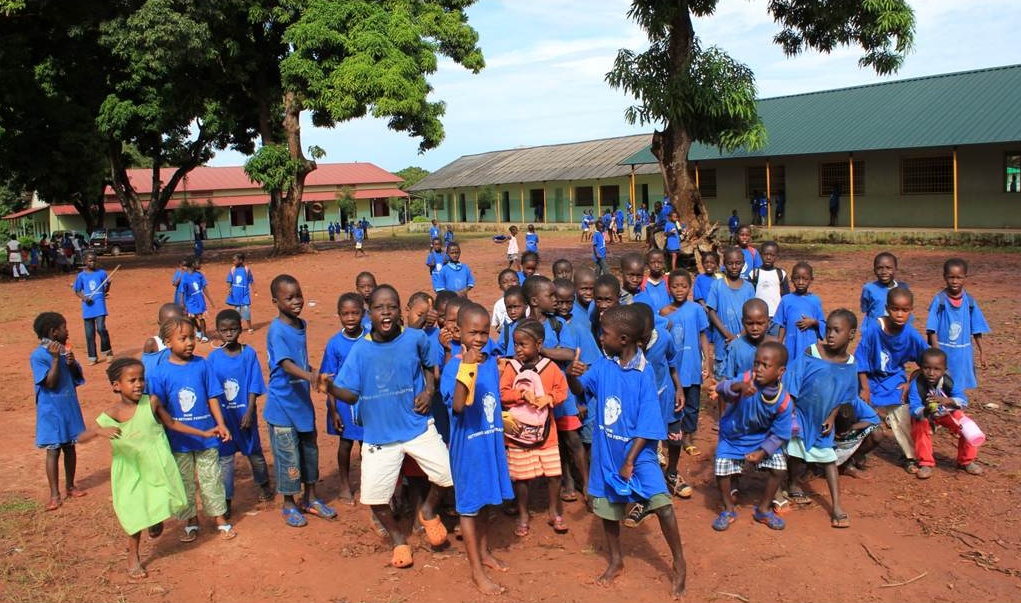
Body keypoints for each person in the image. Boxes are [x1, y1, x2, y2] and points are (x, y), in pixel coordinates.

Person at [327, 285, 453, 569]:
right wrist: (331, 388)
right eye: (379, 307)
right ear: (369, 313)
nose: (385, 312)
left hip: (417, 425)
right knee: (373, 497)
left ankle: (428, 511)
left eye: (391, 307)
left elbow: (430, 365)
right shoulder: (360, 350)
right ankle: (399, 540)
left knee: (448, 473)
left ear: (400, 311)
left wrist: (429, 390)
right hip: (380, 436)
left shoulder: (416, 338)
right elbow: (351, 393)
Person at [565, 305, 686, 596]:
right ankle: (616, 560)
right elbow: (582, 390)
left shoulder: (644, 374)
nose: (600, 337)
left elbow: (648, 425)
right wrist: (572, 375)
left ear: (622, 339)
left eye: (604, 333)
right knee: (608, 509)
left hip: (638, 453)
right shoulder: (604, 366)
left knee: (662, 504)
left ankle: (679, 562)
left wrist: (630, 461)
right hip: (608, 452)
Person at [88, 357, 215, 578]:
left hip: (157, 465)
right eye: (132, 380)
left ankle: (155, 520)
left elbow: (172, 423)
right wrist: (99, 431)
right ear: (116, 386)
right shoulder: (112, 414)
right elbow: (82, 436)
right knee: (134, 512)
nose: (138, 384)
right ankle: (133, 556)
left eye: (141, 379)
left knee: (160, 500)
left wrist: (203, 433)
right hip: (129, 470)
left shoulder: (152, 402)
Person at [440, 303, 514, 595]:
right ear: (458, 332)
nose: (480, 339)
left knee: (485, 503)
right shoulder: (453, 367)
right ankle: (476, 570)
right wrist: (467, 365)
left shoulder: (490, 361)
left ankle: (483, 553)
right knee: (470, 508)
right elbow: (458, 405)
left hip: (489, 443)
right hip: (468, 449)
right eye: (473, 332)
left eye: (485, 332)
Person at [146, 316, 235, 541]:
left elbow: (213, 395)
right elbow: (158, 407)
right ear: (167, 342)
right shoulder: (159, 372)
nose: (189, 342)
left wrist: (221, 424)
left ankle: (219, 518)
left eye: (192, 337)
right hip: (178, 441)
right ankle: (191, 520)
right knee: (184, 482)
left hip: (208, 436)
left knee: (211, 478)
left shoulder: (202, 364)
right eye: (182, 338)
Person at [261, 275, 335, 528]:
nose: (296, 302)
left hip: (302, 403)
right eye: (289, 298)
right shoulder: (276, 330)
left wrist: (313, 373)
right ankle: (289, 503)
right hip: (282, 406)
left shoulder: (300, 324)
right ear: (275, 301)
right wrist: (311, 377)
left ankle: (311, 497)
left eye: (299, 295)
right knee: (288, 456)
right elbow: (285, 364)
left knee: (309, 451)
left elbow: (299, 361)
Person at [785, 309, 860, 528]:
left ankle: (836, 506)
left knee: (828, 459)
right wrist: (790, 412)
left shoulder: (850, 364)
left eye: (837, 330)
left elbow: (844, 394)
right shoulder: (812, 352)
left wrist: (832, 416)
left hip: (822, 420)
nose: (831, 335)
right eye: (829, 329)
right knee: (795, 453)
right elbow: (793, 380)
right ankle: (791, 483)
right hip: (800, 414)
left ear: (851, 334)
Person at [712, 342, 792, 532]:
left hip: (760, 439)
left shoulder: (784, 401)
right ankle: (728, 509)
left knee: (779, 468)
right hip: (733, 436)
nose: (759, 369)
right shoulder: (747, 378)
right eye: (757, 364)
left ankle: (763, 509)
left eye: (766, 365)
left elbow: (780, 433)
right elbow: (722, 387)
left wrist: (762, 452)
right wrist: (740, 387)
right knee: (721, 469)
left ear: (780, 371)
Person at [500, 319, 569, 537]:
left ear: (538, 344)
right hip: (518, 432)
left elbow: (562, 391)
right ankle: (523, 513)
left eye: (523, 344)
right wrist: (521, 395)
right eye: (516, 344)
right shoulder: (511, 368)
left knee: (554, 474)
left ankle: (553, 510)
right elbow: (502, 393)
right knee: (522, 477)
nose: (518, 349)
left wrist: (548, 398)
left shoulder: (551, 368)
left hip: (546, 433)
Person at [855, 286, 927, 473]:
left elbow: (929, 361)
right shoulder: (874, 329)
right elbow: (860, 360)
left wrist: (910, 382)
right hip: (869, 378)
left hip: (894, 379)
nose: (900, 314)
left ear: (911, 310)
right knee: (859, 414)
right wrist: (865, 388)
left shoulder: (910, 334)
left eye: (905, 310)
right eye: (895, 309)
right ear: (887, 308)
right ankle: (854, 453)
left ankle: (909, 456)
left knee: (902, 413)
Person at [209, 309, 272, 518]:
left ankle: (264, 484)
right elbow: (211, 390)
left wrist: (250, 410)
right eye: (224, 330)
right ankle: (226, 499)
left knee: (254, 453)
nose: (229, 334)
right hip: (225, 419)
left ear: (240, 329)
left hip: (245, 415)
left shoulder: (248, 353)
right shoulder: (213, 358)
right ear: (218, 331)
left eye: (233, 329)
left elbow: (254, 383)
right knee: (225, 460)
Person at [31, 312, 88, 510]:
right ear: (54, 332)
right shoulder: (39, 355)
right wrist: (56, 360)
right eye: (64, 328)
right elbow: (50, 383)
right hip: (51, 410)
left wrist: (71, 364)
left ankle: (70, 486)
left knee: (70, 447)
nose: (67, 331)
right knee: (53, 450)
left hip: (68, 406)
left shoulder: (65, 351)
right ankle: (54, 494)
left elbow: (77, 378)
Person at [552, 278, 598, 505]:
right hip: (551, 396)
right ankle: (567, 480)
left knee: (575, 441)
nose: (563, 306)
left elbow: (584, 365)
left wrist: (581, 400)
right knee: (558, 442)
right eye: (557, 301)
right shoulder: (549, 324)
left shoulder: (578, 326)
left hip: (572, 396)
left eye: (567, 302)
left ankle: (587, 483)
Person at [660, 269, 712, 463]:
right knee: (674, 402)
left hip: (692, 366)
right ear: (669, 288)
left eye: (683, 286)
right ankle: (673, 434)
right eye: (675, 286)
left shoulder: (697, 310)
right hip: (674, 368)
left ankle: (688, 437)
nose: (679, 290)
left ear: (689, 288)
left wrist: (707, 359)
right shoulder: (664, 312)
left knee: (692, 404)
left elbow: (702, 335)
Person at [908, 347, 984, 479]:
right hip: (926, 414)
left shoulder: (948, 382)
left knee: (967, 425)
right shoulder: (917, 384)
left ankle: (967, 460)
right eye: (927, 368)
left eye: (937, 369)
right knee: (921, 427)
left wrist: (947, 401)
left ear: (944, 370)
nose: (931, 373)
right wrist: (925, 411)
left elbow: (963, 400)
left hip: (946, 413)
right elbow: (914, 407)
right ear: (920, 367)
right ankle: (925, 462)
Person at [320, 292, 366, 504]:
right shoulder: (334, 344)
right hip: (344, 404)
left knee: (368, 445)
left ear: (363, 313)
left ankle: (369, 483)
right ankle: (344, 484)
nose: (350, 318)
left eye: (355, 313)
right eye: (345, 314)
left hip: (368, 402)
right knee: (346, 443)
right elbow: (329, 380)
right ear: (338, 315)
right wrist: (333, 410)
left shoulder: (370, 338)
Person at [925, 258, 989, 391]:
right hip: (944, 351)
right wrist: (937, 351)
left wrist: (982, 352)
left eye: (959, 278)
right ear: (944, 277)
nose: (955, 281)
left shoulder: (970, 302)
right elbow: (932, 329)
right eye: (951, 277)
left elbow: (976, 329)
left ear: (965, 277)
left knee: (960, 384)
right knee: (942, 382)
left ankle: (958, 407)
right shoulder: (940, 300)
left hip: (963, 353)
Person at [706, 247, 756, 380]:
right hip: (723, 345)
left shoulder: (749, 288)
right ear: (724, 264)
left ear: (743, 264)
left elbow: (753, 316)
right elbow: (712, 312)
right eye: (730, 263)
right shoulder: (717, 285)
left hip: (744, 345)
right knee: (723, 386)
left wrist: (739, 336)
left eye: (738, 263)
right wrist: (728, 334)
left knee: (744, 385)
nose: (734, 267)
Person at [773, 262, 826, 361]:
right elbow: (782, 324)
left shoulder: (815, 301)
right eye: (797, 278)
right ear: (792, 279)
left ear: (811, 280)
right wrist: (779, 344)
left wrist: (813, 322)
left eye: (805, 279)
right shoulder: (786, 300)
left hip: (809, 344)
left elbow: (822, 323)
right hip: (791, 343)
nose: (801, 282)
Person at [73, 252, 113, 365]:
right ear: (85, 262)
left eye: (94, 260)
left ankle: (108, 352)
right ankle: (92, 357)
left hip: (99, 305)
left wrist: (108, 285)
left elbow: (104, 290)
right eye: (90, 261)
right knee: (89, 333)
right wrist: (85, 298)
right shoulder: (81, 276)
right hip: (88, 307)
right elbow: (77, 290)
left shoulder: (102, 273)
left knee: (101, 328)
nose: (92, 263)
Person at [720, 298, 770, 381]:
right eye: (750, 323)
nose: (755, 328)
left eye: (760, 323)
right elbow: (727, 378)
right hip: (742, 392)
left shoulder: (774, 347)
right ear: (743, 322)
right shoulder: (735, 347)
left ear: (768, 322)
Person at [747, 241, 789, 335]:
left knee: (774, 344)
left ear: (777, 256)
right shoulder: (754, 273)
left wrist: (784, 316)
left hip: (776, 318)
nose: (768, 257)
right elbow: (748, 296)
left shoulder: (781, 274)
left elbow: (786, 297)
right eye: (766, 254)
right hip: (758, 318)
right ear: (761, 254)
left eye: (772, 255)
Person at [860, 252, 908, 331]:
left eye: (888, 268)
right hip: (873, 332)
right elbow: (864, 308)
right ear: (874, 270)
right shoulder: (869, 288)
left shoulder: (903, 289)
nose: (884, 272)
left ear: (895, 269)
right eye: (879, 268)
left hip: (896, 332)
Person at [180, 257, 215, 343]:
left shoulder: (200, 275)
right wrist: (182, 303)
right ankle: (198, 329)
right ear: (192, 265)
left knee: (200, 317)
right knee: (192, 317)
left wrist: (210, 300)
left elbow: (204, 288)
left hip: (199, 299)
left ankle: (204, 335)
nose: (200, 265)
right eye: (198, 264)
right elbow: (182, 291)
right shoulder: (185, 277)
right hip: (190, 300)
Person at [225, 253, 255, 334]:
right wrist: (229, 289)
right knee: (237, 310)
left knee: (246, 309)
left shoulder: (246, 269)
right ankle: (239, 327)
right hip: (236, 294)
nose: (233, 261)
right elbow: (229, 280)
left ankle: (249, 327)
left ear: (241, 260)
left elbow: (251, 280)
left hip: (245, 293)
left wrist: (254, 289)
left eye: (235, 260)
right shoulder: (233, 270)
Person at [634, 249, 670, 313]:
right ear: (647, 264)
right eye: (653, 262)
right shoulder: (642, 282)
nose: (656, 265)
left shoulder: (668, 281)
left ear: (664, 263)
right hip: (648, 317)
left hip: (667, 318)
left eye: (660, 262)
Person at [490, 268, 522, 335]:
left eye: (513, 280)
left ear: (519, 283)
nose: (509, 284)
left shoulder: (525, 301)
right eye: (505, 282)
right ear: (500, 287)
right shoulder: (498, 305)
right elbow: (497, 325)